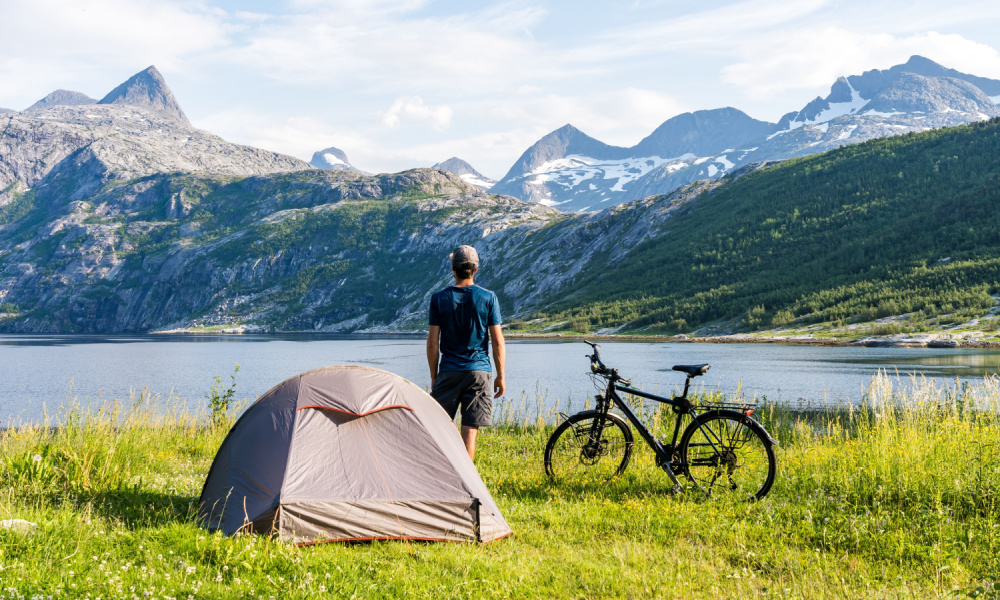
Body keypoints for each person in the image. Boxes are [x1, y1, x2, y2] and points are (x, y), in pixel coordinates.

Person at [426, 245, 505, 460]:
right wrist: (500, 375)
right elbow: (497, 341)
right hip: (479, 371)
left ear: (453, 268)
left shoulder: (439, 298)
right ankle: (467, 486)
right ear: (476, 270)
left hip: (449, 370)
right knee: (469, 433)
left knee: (440, 427)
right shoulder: (488, 298)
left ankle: (443, 475)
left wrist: (434, 376)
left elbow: (433, 342)